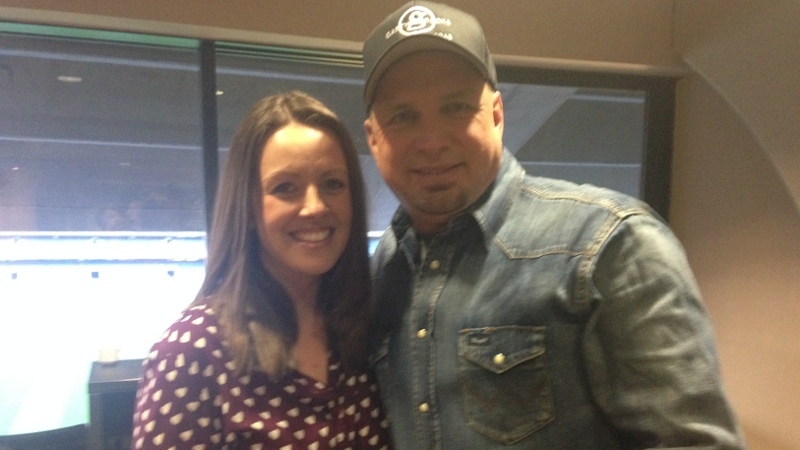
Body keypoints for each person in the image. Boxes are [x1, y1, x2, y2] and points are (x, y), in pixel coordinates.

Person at [362, 2, 747, 449]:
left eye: (455, 107)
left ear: (497, 115)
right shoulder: (381, 272)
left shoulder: (610, 243)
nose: (430, 141)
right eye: (404, 116)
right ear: (374, 137)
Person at [132, 91, 390, 449]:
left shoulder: (363, 331)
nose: (315, 207)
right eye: (286, 188)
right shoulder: (191, 353)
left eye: (333, 183)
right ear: (249, 207)